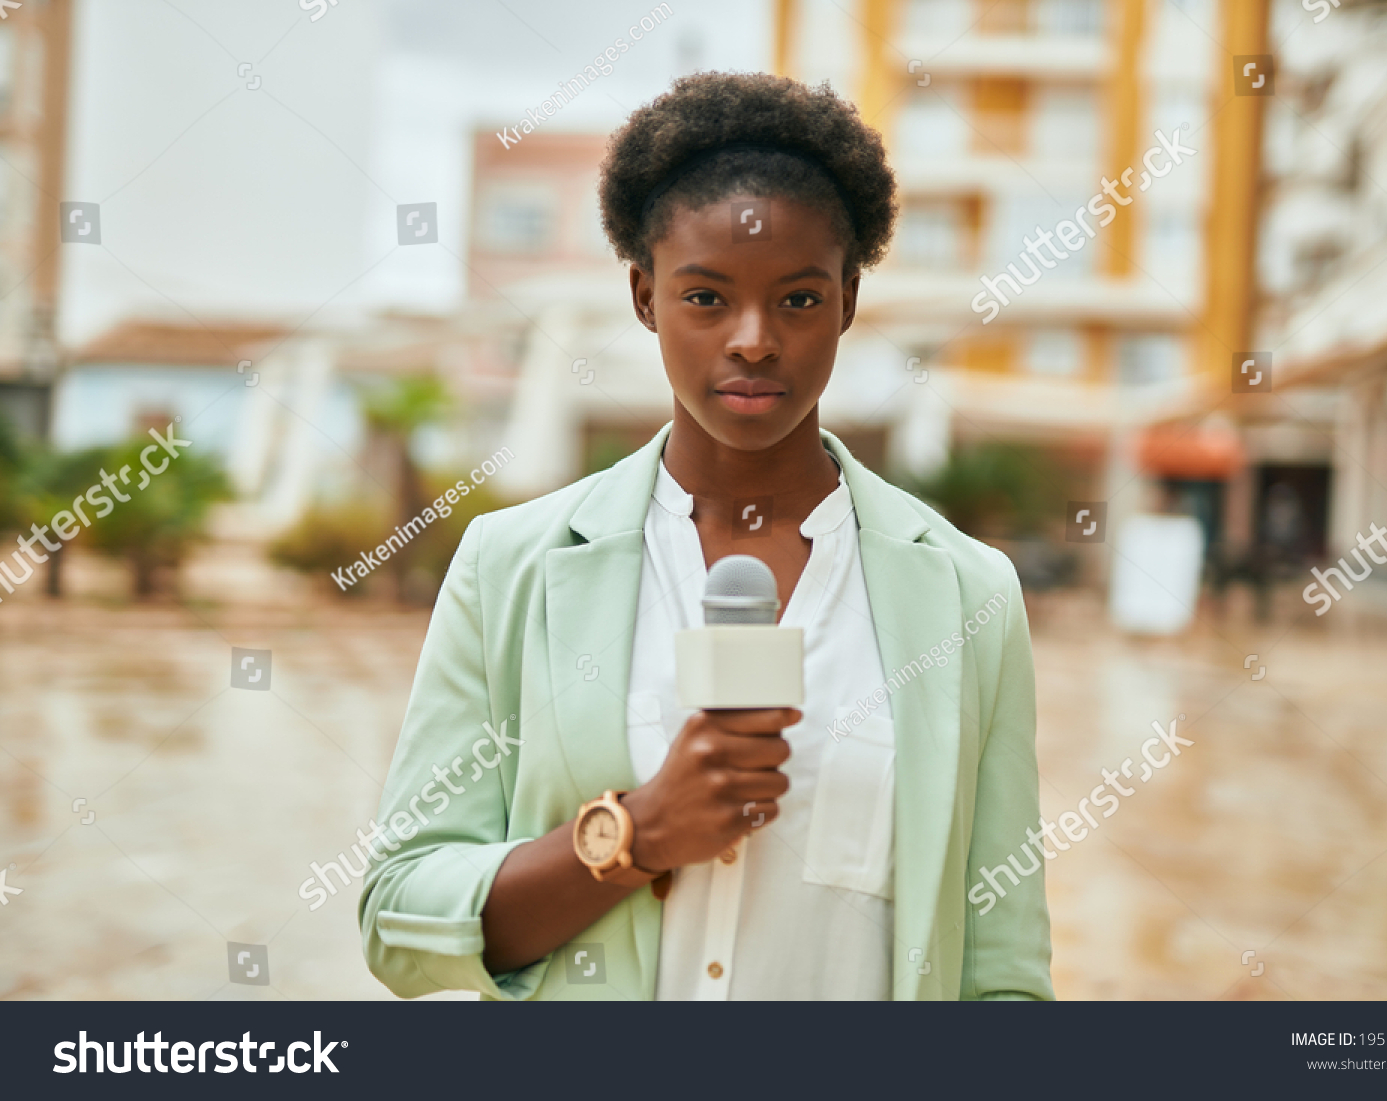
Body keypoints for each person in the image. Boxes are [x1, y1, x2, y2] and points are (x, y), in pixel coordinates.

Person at [359, 71, 1053, 1001]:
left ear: (849, 298)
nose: (755, 339)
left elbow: (1001, 974)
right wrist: (637, 834)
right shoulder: (511, 566)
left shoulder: (970, 596)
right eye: (707, 297)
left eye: (800, 300)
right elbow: (398, 916)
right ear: (645, 297)